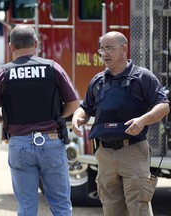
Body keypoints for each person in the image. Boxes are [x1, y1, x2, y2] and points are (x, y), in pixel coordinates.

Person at [0, 25, 80, 216]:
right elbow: (73, 102)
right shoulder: (53, 67)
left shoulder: (3, 73)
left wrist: (5, 121)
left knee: (26, 207)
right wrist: (58, 117)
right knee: (61, 204)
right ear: (36, 44)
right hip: (52, 140)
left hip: (19, 143)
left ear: (11, 46)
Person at [72, 31, 170, 216]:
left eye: (109, 48)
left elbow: (163, 106)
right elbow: (85, 107)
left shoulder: (143, 77)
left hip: (132, 151)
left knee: (138, 208)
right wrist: (78, 118)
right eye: (102, 49)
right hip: (105, 154)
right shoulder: (98, 81)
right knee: (111, 208)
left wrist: (142, 121)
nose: (104, 53)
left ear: (124, 49)